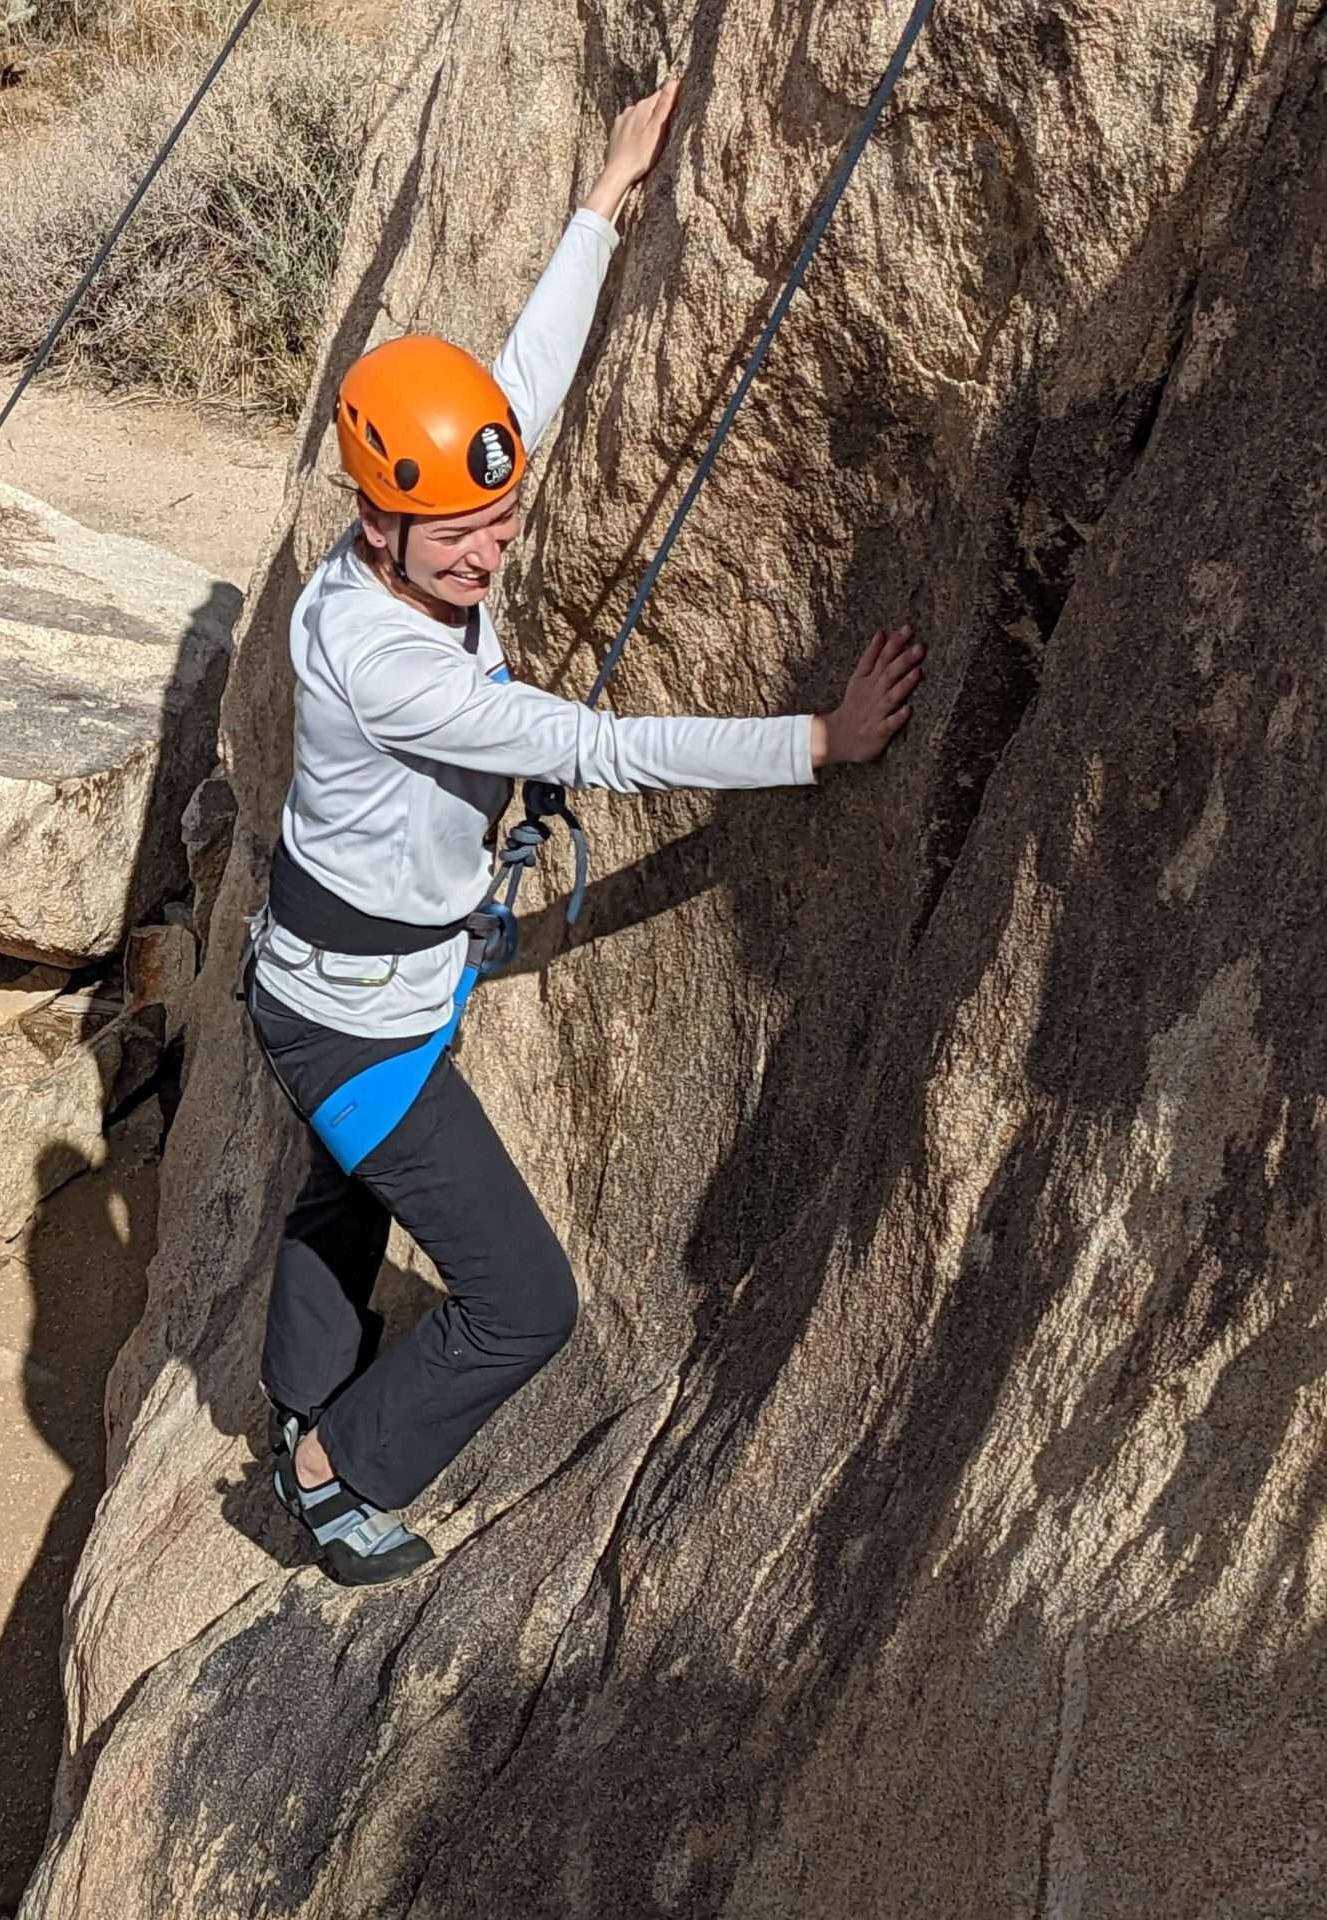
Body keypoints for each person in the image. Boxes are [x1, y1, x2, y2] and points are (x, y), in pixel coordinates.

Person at [245, 81, 923, 1585]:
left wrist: (606, 199)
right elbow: (600, 746)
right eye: (464, 536)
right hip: (358, 1023)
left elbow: (515, 393)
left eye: (500, 520)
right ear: (379, 526)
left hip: (334, 982)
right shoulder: (393, 662)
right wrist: (818, 742)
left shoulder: (414, 537)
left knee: (340, 1188)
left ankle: (296, 1385)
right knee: (522, 1301)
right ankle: (325, 1464)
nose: (493, 548)